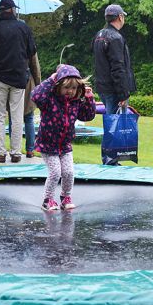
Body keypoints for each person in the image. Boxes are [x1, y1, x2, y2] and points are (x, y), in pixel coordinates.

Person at [31, 65, 96, 211]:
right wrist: (51, 79)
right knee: (55, 173)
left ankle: (65, 197)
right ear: (58, 86)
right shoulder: (49, 99)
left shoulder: (76, 102)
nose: (70, 91)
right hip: (47, 144)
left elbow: (88, 116)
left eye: (73, 88)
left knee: (68, 172)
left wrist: (89, 98)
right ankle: (47, 200)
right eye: (67, 88)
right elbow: (35, 95)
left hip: (65, 145)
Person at [0, 0, 37, 164]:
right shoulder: (24, 28)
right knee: (17, 116)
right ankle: (16, 153)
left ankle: (0, 153)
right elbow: (32, 50)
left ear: (1, 11)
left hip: (0, 78)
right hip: (19, 78)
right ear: (12, 10)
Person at [92, 4, 136, 164]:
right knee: (114, 126)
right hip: (113, 89)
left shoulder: (100, 35)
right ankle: (110, 160)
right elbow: (118, 68)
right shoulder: (116, 38)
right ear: (120, 17)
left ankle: (110, 158)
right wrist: (123, 94)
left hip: (103, 86)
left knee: (112, 123)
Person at [9, 52, 42, 157]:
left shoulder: (8, 42)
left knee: (13, 118)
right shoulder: (29, 44)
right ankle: (30, 150)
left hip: (10, 81)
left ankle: (14, 148)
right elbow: (35, 68)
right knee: (29, 118)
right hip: (27, 83)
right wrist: (38, 85)